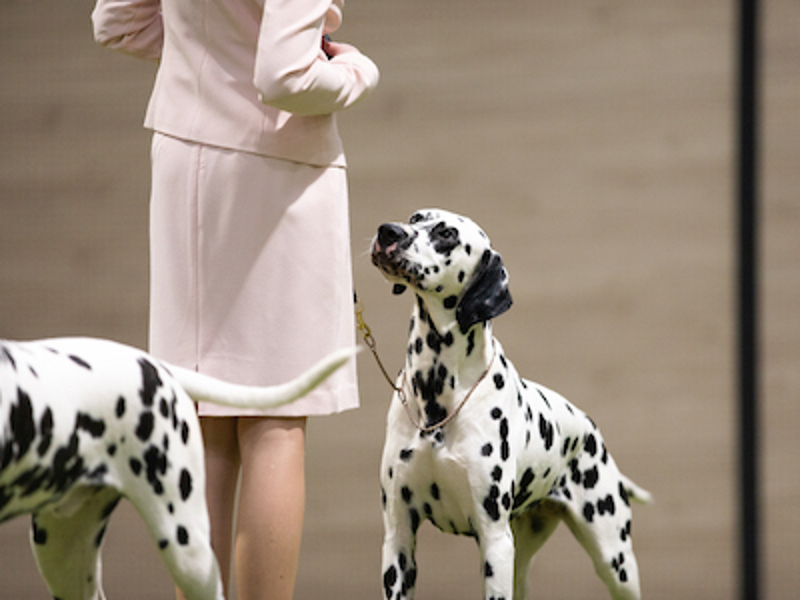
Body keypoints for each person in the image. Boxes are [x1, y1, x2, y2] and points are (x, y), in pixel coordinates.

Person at [91, 0, 379, 598]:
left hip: (181, 154)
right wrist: (357, 72)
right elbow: (284, 77)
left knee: (206, 416)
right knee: (275, 416)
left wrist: (208, 62)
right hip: (274, 171)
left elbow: (116, 21)